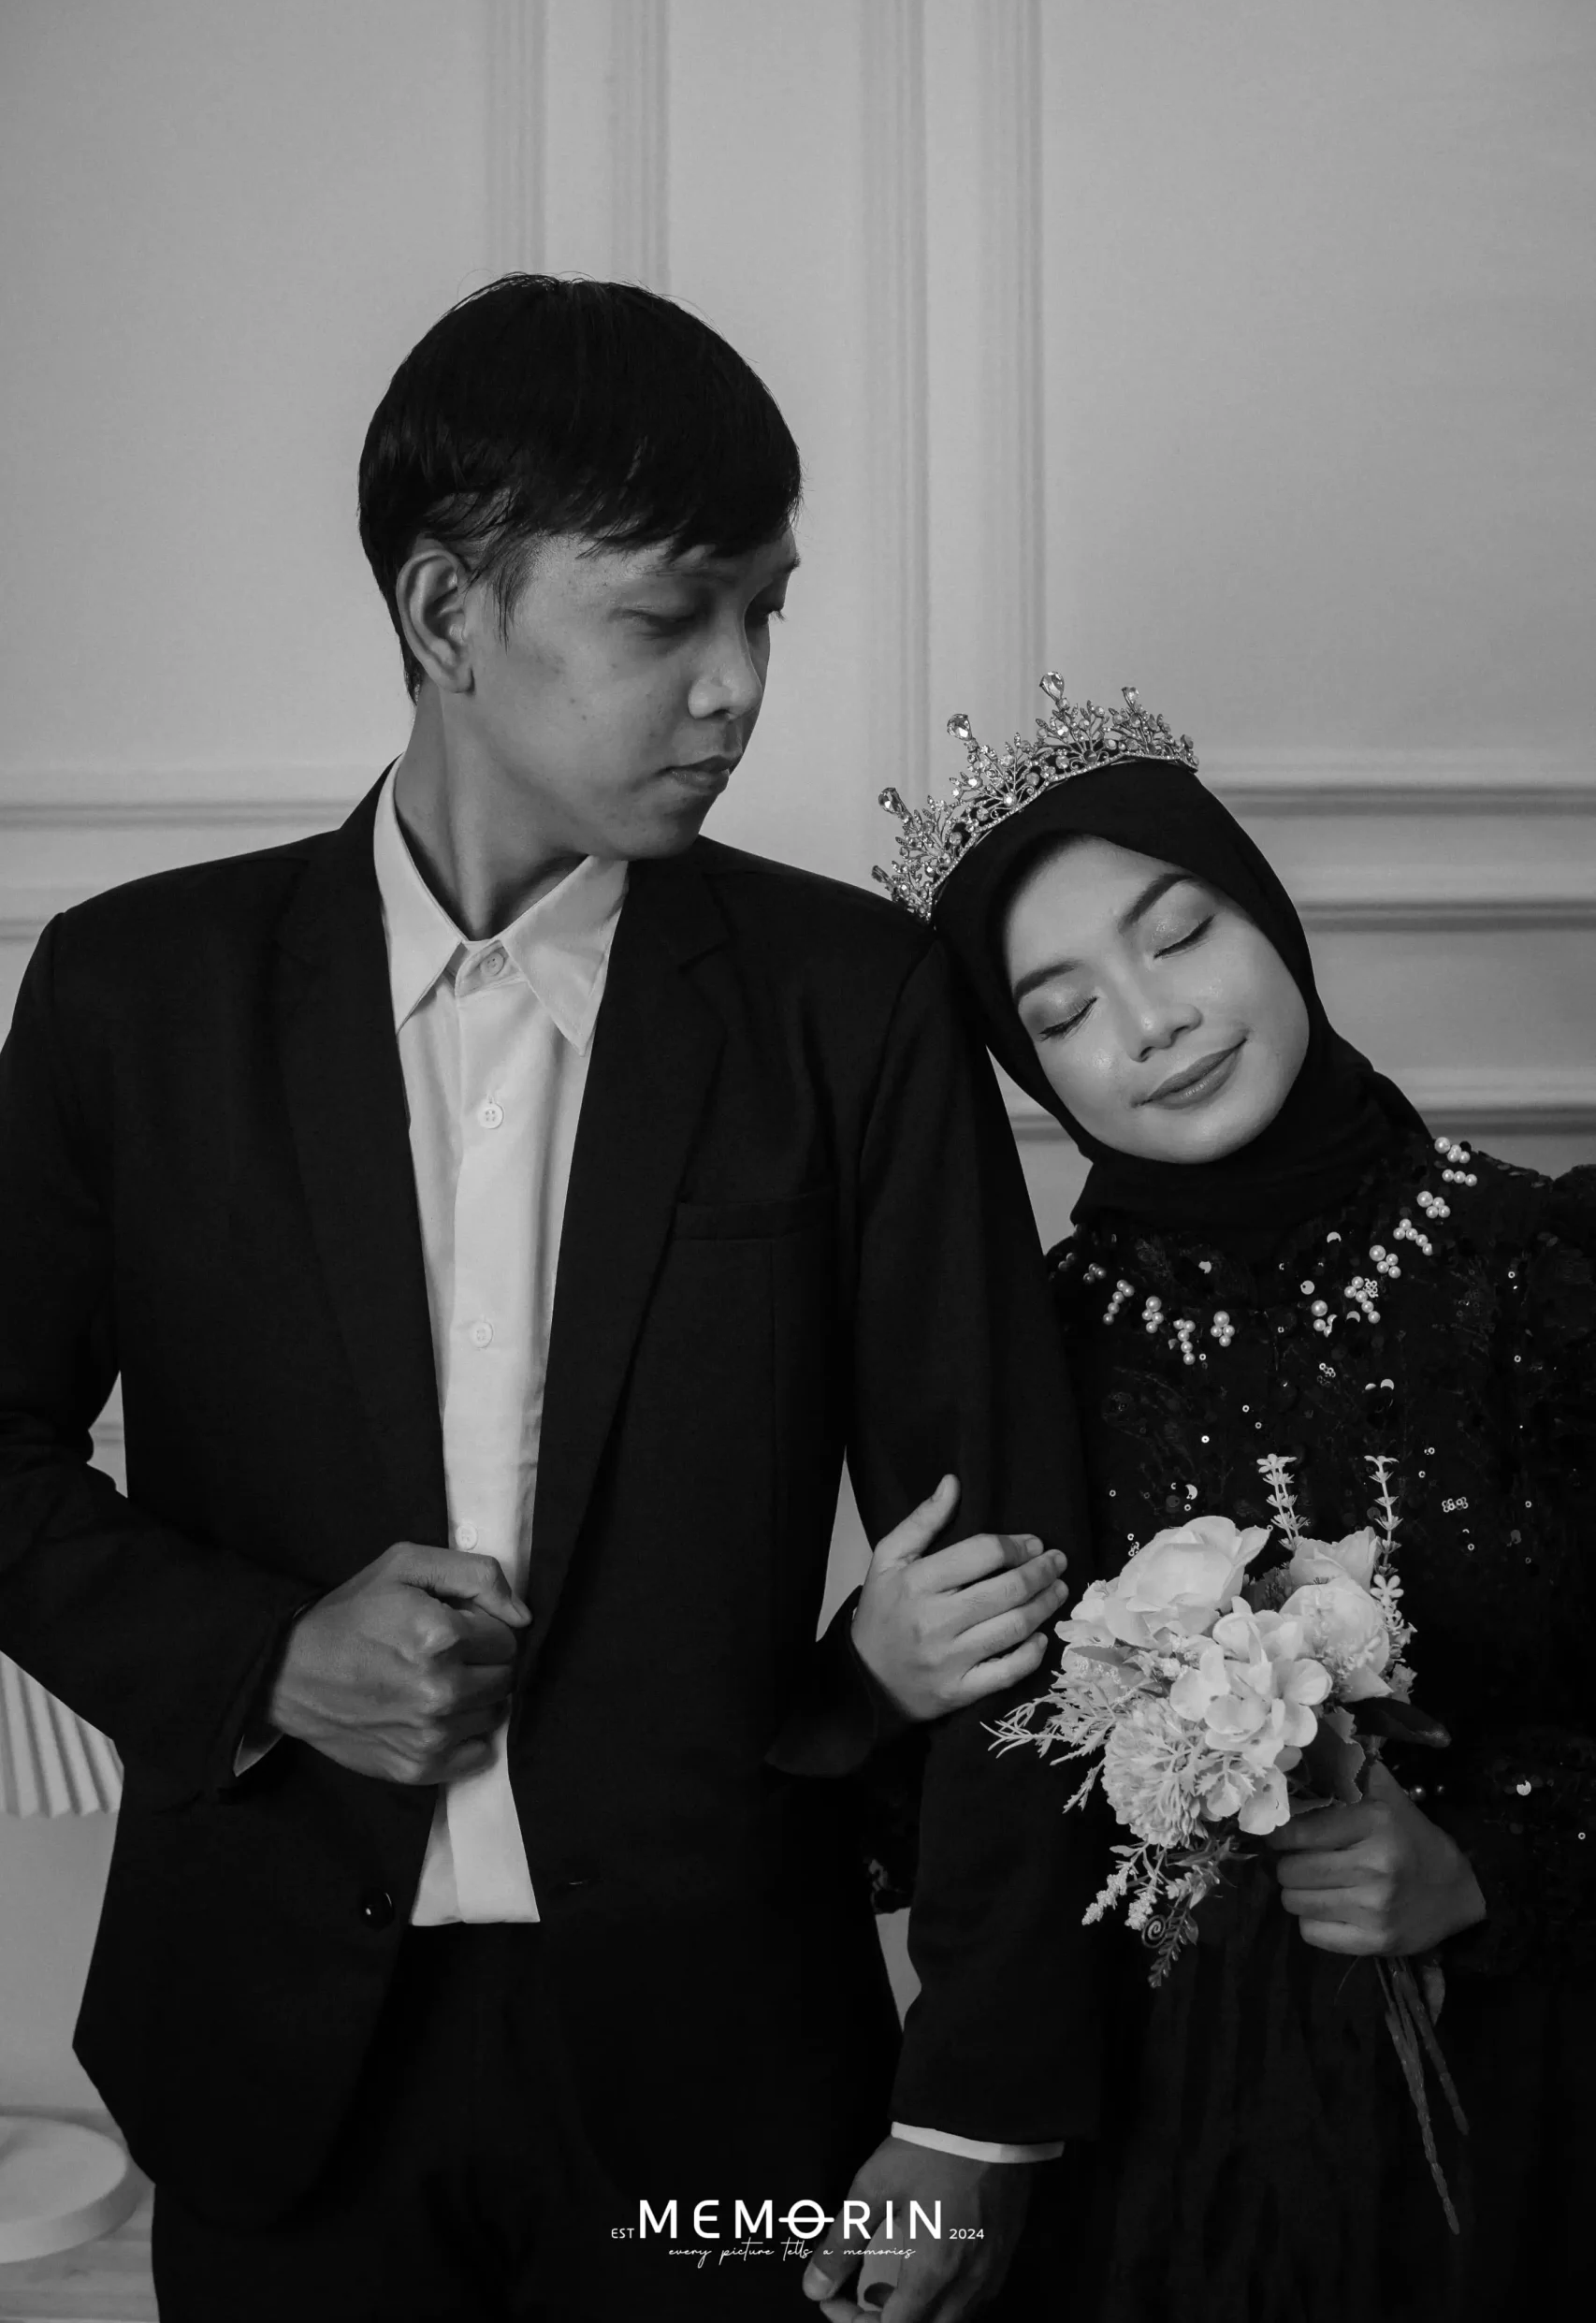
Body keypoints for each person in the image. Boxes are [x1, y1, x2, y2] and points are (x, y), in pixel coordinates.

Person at [0, 281, 1098, 2323]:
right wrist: (263, 1658)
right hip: (271, 2068)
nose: (737, 686)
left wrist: (977, 2111)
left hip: (727, 2090)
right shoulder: (132, 997)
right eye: (667, 616)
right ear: (446, 611)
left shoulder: (848, 1006)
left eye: (766, 611)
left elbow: (1014, 1571)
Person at [862, 683, 1596, 2320]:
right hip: (1176, 2169)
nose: (1150, 1023)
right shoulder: (1031, 1361)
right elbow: (956, 1835)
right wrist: (881, 1676)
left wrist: (1490, 1861)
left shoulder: (1547, 1273)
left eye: (1179, 934)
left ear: (1264, 913)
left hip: (1536, 2124)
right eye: (1062, 1011)